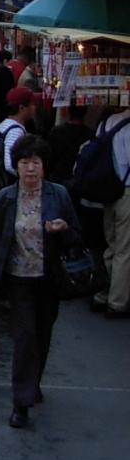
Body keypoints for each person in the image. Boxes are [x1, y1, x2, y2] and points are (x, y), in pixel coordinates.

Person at [0, 135, 82, 428]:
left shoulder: (58, 195)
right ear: (16, 166)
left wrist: (63, 229)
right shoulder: (5, 198)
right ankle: (21, 402)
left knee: (42, 334)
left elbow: (77, 238)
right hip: (18, 279)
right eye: (24, 163)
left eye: (36, 163)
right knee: (24, 337)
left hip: (50, 278)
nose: (30, 169)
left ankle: (33, 383)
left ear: (44, 166)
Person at [90, 107, 130, 319]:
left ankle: (105, 292)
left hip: (107, 189)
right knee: (124, 249)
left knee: (111, 244)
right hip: (127, 191)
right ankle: (117, 301)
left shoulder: (108, 121)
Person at [0, 86, 37, 181]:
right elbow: (9, 165)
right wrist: (25, 179)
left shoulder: (5, 124)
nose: (35, 107)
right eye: (32, 104)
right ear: (21, 107)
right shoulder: (15, 131)